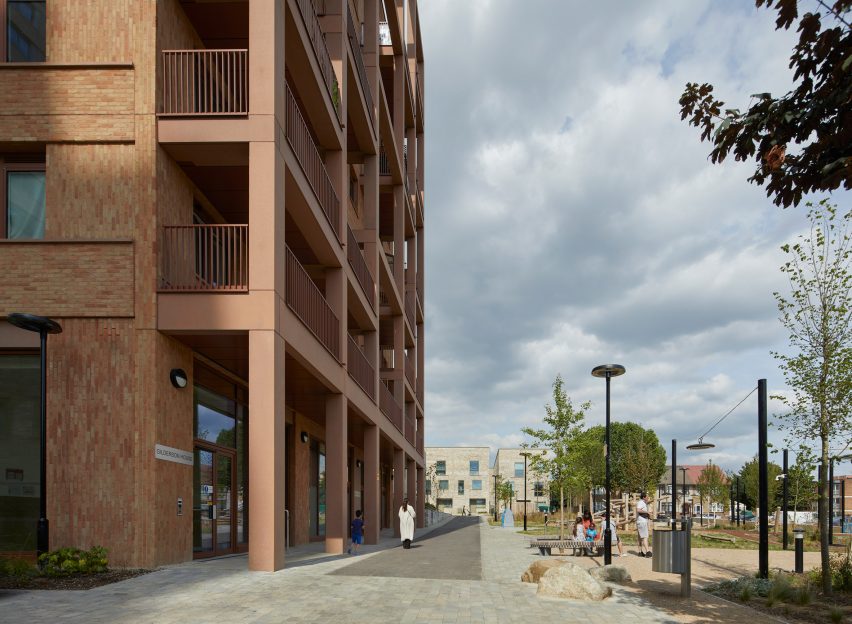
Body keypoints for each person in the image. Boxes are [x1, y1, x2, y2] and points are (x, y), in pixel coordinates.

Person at [636, 492, 652, 558]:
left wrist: (648, 515)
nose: (648, 497)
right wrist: (647, 512)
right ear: (644, 497)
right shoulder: (641, 502)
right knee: (645, 537)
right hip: (642, 521)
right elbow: (638, 510)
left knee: (640, 537)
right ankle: (648, 552)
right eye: (647, 496)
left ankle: (640, 552)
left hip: (641, 521)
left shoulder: (643, 503)